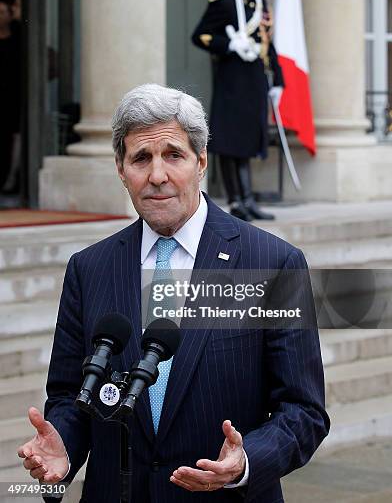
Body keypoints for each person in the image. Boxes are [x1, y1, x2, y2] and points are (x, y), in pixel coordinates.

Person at [17, 84, 329, 503]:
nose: (157, 175)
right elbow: (71, 396)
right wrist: (65, 449)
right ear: (121, 169)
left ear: (201, 162)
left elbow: (304, 410)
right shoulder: (89, 269)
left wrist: (246, 461)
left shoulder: (272, 262)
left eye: (174, 155)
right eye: (141, 158)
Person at [192, 0, 284, 222]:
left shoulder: (259, 2)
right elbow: (201, 35)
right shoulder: (223, 1)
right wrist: (228, 44)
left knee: (247, 140)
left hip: (254, 77)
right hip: (233, 78)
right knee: (231, 141)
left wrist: (277, 79)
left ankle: (247, 198)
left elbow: (269, 43)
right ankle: (237, 200)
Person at [0, 0, 21, 193]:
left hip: (13, 97)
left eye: (3, 12)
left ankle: (11, 179)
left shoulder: (18, 39)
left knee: (14, 137)